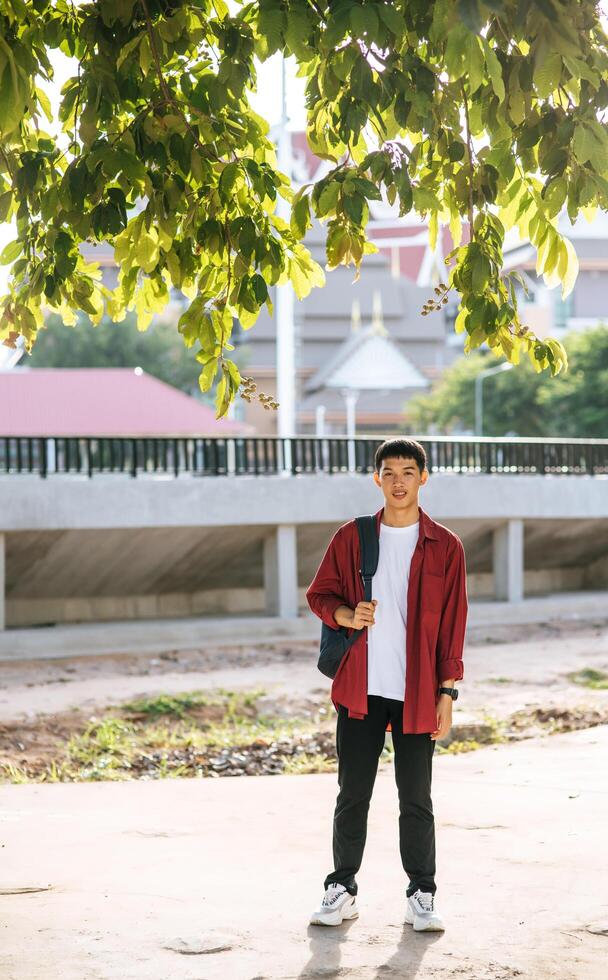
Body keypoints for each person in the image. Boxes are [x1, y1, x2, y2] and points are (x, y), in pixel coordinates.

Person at [305, 437, 468, 932]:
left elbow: (453, 626)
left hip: (418, 693)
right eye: (389, 472)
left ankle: (422, 893)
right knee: (352, 793)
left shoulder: (446, 546)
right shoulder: (353, 537)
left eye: (408, 471)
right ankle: (342, 888)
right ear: (377, 478)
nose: (398, 481)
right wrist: (346, 613)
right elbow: (320, 595)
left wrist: (449, 692)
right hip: (361, 689)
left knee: (416, 796)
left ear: (423, 478)